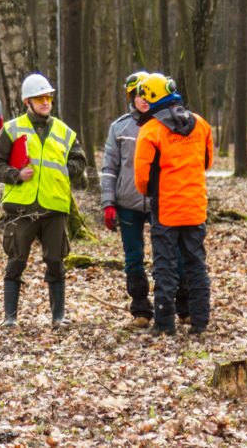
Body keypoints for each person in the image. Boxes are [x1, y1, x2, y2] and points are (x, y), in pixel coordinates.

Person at [0, 73, 87, 329]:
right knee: (16, 261)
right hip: (21, 208)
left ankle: (58, 317)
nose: (45, 102)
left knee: (56, 262)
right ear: (27, 102)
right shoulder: (11, 129)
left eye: (48, 97)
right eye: (39, 98)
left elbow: (79, 161)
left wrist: (65, 171)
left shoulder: (64, 131)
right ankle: (10, 318)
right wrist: (15, 175)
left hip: (54, 207)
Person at [133, 73, 214, 336]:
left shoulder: (151, 130)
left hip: (166, 210)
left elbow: (141, 178)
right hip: (195, 208)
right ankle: (200, 321)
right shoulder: (201, 124)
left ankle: (165, 324)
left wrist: (153, 192)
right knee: (196, 266)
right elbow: (207, 162)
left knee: (165, 267)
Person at [100, 72, 154, 329]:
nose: (143, 99)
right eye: (138, 95)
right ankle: (141, 311)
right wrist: (108, 203)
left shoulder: (164, 124)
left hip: (159, 202)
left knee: (170, 256)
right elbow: (110, 168)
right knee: (133, 257)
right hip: (127, 204)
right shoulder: (119, 127)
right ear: (131, 96)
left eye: (147, 94)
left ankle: (180, 306)